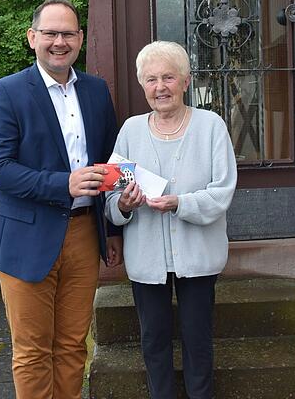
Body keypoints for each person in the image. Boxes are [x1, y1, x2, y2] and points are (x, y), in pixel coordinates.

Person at [0, 0, 123, 399]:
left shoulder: (95, 91)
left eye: (68, 34)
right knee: (32, 350)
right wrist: (64, 184)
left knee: (73, 346)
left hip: (82, 234)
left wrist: (111, 229)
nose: (59, 42)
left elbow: (109, 165)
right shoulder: (6, 92)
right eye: (50, 33)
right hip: (26, 237)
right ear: (32, 38)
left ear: (80, 39)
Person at [105, 41, 237, 398]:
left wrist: (180, 203)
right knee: (154, 341)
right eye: (151, 79)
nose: (160, 87)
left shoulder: (211, 126)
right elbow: (111, 197)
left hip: (198, 256)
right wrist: (126, 206)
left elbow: (222, 192)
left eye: (168, 77)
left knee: (198, 340)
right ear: (142, 85)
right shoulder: (131, 132)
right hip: (147, 257)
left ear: (185, 81)